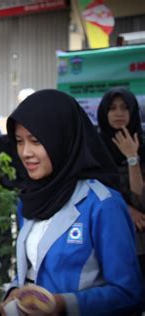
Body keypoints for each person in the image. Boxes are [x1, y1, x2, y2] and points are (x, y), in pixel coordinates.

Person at [1, 89, 143, 315]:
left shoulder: (103, 205)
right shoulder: (29, 200)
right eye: (19, 141)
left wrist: (62, 304)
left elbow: (129, 293)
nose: (25, 152)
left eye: (36, 141)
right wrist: (14, 291)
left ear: (63, 139)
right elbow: (32, 266)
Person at [97, 87, 145, 280]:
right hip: (108, 235)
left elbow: (140, 200)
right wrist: (126, 208)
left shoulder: (142, 144)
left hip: (140, 238)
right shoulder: (94, 149)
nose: (118, 113)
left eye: (124, 108)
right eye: (113, 108)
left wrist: (133, 157)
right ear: (104, 112)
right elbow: (93, 191)